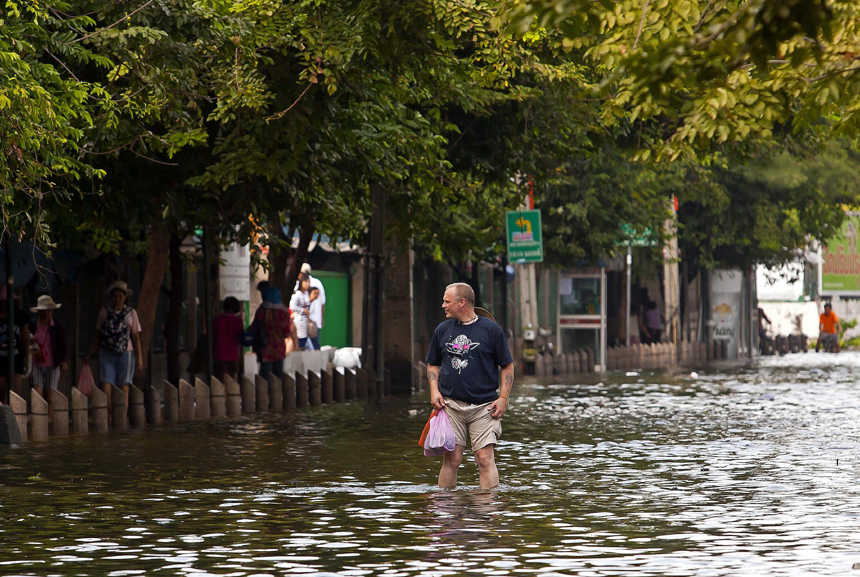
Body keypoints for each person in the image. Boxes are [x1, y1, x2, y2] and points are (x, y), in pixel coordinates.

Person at [426, 282, 515, 490]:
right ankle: (446, 511)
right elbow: (433, 363)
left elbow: (507, 366)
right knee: (452, 459)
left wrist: (503, 398)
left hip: (485, 407)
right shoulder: (442, 330)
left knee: (484, 458)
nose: (443, 305)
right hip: (450, 405)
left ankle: (487, 511)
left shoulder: (491, 330)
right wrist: (434, 390)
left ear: (462, 302)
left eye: (447, 301)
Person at [85, 281, 143, 426]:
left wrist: (139, 357)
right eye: (115, 296)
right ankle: (109, 416)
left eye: (120, 296)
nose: (117, 299)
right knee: (106, 385)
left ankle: (121, 417)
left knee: (124, 386)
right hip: (106, 353)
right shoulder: (104, 312)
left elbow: (135, 337)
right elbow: (98, 335)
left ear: (125, 297)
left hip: (126, 353)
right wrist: (90, 353)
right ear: (111, 297)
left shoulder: (131, 313)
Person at [30, 295, 68, 417]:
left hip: (53, 364)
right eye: (44, 310)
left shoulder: (57, 326)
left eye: (49, 310)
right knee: (38, 393)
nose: (47, 313)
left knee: (50, 394)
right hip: (37, 363)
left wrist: (63, 361)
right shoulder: (33, 325)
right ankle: (38, 418)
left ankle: (49, 418)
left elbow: (63, 344)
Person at [0, 285, 30, 402]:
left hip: (16, 357)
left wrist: (27, 359)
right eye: (2, 302)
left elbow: (25, 338)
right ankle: (4, 417)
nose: (4, 305)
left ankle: (15, 417)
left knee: (16, 392)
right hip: (1, 358)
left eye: (6, 302)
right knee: (1, 389)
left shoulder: (20, 315)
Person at [254, 287, 291, 379]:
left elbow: (255, 327)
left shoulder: (262, 311)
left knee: (265, 377)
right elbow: (286, 333)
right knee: (278, 376)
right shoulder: (283, 312)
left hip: (264, 347)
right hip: (279, 348)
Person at [212, 296, 244, 382]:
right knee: (232, 377)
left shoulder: (218, 320)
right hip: (233, 353)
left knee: (221, 378)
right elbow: (240, 335)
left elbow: (214, 334)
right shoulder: (238, 321)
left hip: (219, 353)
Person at [297, 264, 326, 343]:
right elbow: (323, 303)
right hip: (315, 321)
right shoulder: (318, 282)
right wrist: (321, 318)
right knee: (314, 346)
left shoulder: (298, 284)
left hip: (305, 323)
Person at [290, 277, 312, 350]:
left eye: (309, 282)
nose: (308, 284)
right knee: (299, 339)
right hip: (299, 320)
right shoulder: (297, 294)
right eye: (306, 282)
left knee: (304, 340)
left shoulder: (306, 294)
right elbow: (292, 306)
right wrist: (302, 310)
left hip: (305, 321)